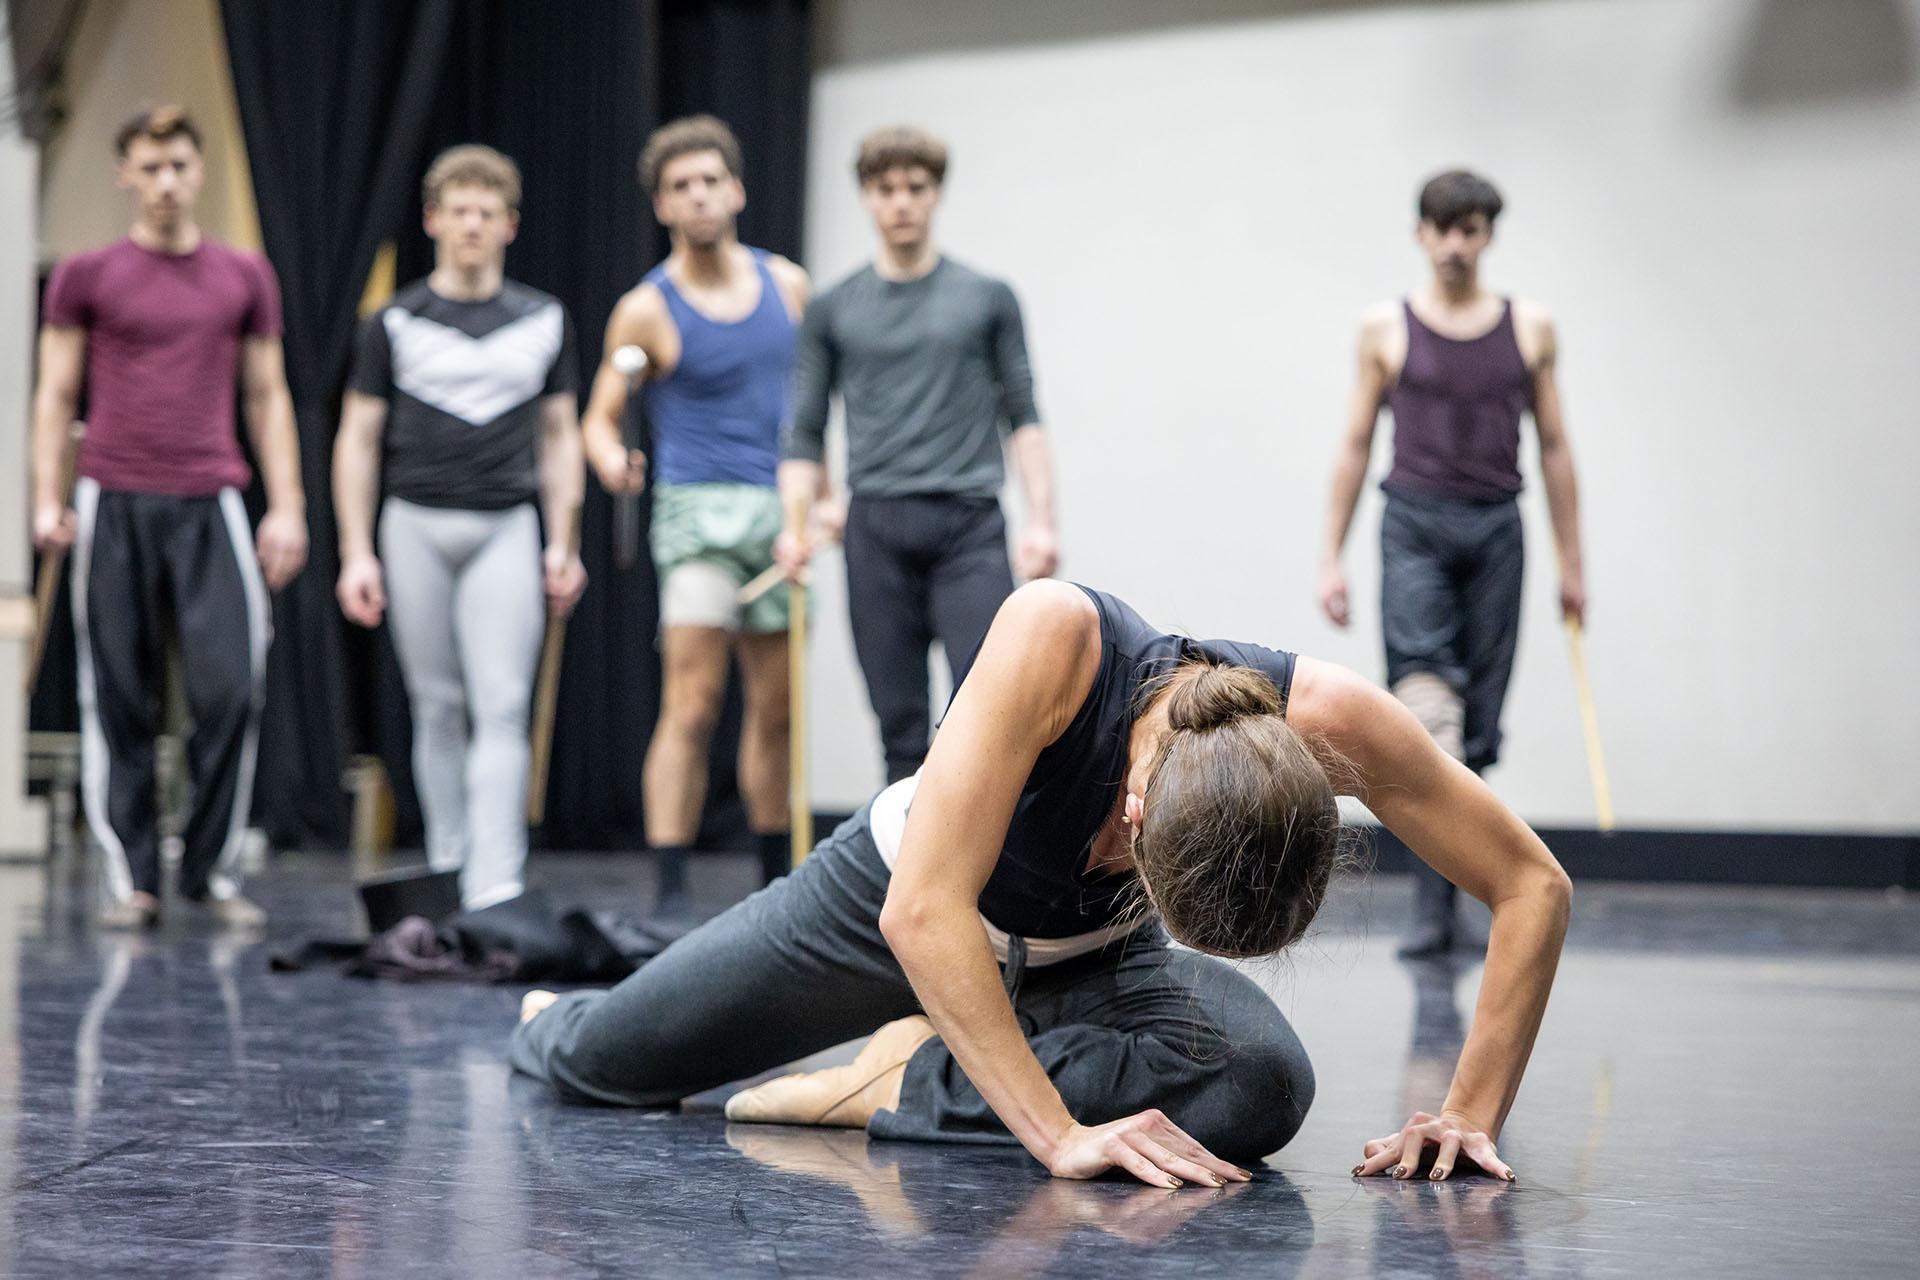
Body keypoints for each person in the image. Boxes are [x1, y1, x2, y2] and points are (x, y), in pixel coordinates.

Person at [512, 580, 1572, 1187]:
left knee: (1262, 1085)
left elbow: (1532, 882)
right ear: (1137, 813)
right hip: (894, 906)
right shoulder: (1055, 638)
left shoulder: (1333, 720)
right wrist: (1059, 1135)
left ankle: (903, 1080)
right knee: (602, 1067)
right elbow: (920, 911)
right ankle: (553, 1016)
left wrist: (1470, 1109)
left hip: (1092, 961)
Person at [31, 105, 308, 930]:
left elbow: (267, 395)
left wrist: (286, 506)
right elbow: (55, 394)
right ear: (126, 173)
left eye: (180, 166)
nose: (165, 182)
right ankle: (134, 877)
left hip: (210, 495)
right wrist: (47, 496)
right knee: (118, 693)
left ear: (199, 170)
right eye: (150, 167)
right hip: (113, 494)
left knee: (231, 688)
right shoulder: (86, 274)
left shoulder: (244, 275)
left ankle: (210, 870)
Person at [1317, 169, 1588, 957]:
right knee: (1427, 714)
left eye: (1469, 229)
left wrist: (1573, 566)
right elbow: (1355, 444)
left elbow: (1558, 447)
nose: (1454, 244)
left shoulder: (1530, 328)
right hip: (1415, 529)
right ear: (1420, 233)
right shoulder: (1386, 329)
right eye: (1442, 228)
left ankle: (1456, 899)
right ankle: (1433, 910)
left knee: (1478, 727)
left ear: (1487, 236)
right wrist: (1330, 557)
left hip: (1497, 530)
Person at [334, 144, 586, 910]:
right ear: (433, 220)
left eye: (487, 212)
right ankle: (449, 864)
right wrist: (355, 552)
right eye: (459, 211)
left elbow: (560, 436)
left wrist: (562, 541)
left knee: (502, 703)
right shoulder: (393, 323)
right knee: (437, 706)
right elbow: (358, 438)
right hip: (413, 524)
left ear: (508, 225)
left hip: (505, 526)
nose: (472, 225)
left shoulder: (543, 319)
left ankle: (496, 881)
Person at [777, 126, 1060, 784]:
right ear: (867, 199)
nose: (901, 202)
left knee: (987, 709)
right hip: (875, 527)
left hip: (969, 527)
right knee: (900, 725)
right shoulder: (832, 309)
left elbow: (1024, 412)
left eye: (915, 188)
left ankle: (990, 882)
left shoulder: (986, 297)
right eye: (886, 189)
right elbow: (806, 430)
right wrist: (794, 526)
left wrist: (1042, 521)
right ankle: (907, 880)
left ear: (935, 195)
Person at [581, 116, 809, 910]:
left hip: (777, 512)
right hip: (694, 516)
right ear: (662, 205)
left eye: (711, 179)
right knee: (693, 702)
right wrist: (612, 458)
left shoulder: (787, 286)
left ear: (737, 189)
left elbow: (810, 412)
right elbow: (599, 415)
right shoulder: (645, 308)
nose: (699, 194)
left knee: (776, 709)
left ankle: (776, 889)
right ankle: (669, 896)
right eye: (681, 186)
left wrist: (820, 499)